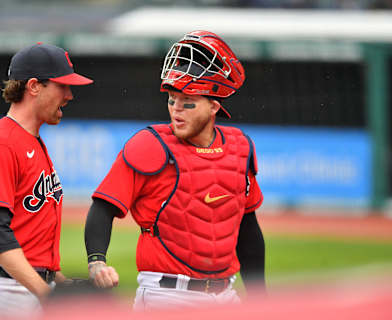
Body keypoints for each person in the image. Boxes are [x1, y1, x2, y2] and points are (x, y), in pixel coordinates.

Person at [84, 30, 265, 310]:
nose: (176, 110)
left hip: (226, 296)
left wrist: (260, 298)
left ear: (214, 106)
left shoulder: (240, 148)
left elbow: (247, 227)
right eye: (171, 100)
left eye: (188, 102)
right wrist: (97, 261)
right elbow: (103, 207)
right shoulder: (149, 145)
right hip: (167, 296)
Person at [0, 42, 93, 320]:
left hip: (26, 286)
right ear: (34, 86)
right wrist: (48, 295)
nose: (69, 95)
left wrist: (61, 284)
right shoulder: (0, 145)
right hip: (2, 295)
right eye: (62, 86)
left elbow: (30, 236)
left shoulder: (31, 142)